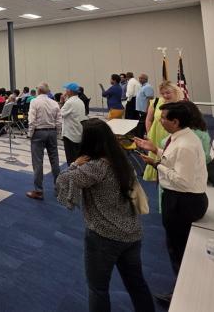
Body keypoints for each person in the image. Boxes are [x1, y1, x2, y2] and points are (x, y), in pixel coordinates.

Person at [57, 119, 155, 312]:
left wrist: (74, 164)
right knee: (136, 284)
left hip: (104, 236)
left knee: (98, 289)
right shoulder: (120, 158)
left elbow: (62, 180)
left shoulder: (95, 167)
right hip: (132, 232)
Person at [134, 102, 208, 303]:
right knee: (176, 246)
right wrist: (155, 149)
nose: (159, 120)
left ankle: (185, 292)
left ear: (175, 122)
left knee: (178, 248)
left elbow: (183, 180)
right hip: (180, 199)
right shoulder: (181, 138)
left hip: (183, 203)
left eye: (164, 118)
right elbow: (174, 160)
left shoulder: (185, 145)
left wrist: (156, 164)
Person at [142, 81, 184, 181]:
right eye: (162, 93)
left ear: (175, 91)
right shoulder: (155, 102)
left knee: (172, 160)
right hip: (156, 136)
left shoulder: (181, 105)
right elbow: (148, 120)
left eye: (168, 92)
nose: (165, 95)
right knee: (156, 159)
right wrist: (149, 134)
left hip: (174, 137)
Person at [26, 83, 62, 200]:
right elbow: (59, 121)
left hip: (38, 132)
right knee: (55, 160)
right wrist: (57, 133)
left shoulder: (34, 101)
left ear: (39, 91)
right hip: (52, 132)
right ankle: (59, 189)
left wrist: (30, 134)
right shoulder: (54, 102)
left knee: (37, 162)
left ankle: (39, 191)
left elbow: (32, 120)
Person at [61, 82, 87, 164]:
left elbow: (60, 113)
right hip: (78, 132)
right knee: (77, 157)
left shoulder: (69, 102)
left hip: (70, 134)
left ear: (70, 91)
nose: (65, 91)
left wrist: (61, 101)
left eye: (66, 89)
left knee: (71, 160)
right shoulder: (80, 101)